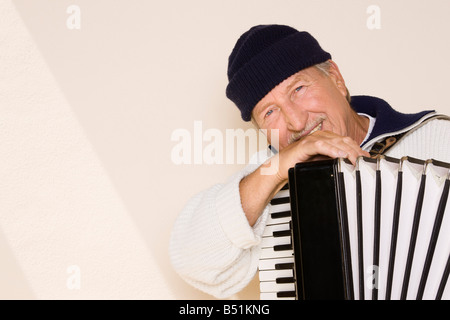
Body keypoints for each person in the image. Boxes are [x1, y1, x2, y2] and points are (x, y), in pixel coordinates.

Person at [169, 24, 450, 298]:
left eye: (299, 89)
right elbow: (195, 263)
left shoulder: (438, 138)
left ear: (337, 79)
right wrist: (278, 169)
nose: (296, 121)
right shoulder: (268, 177)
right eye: (269, 112)